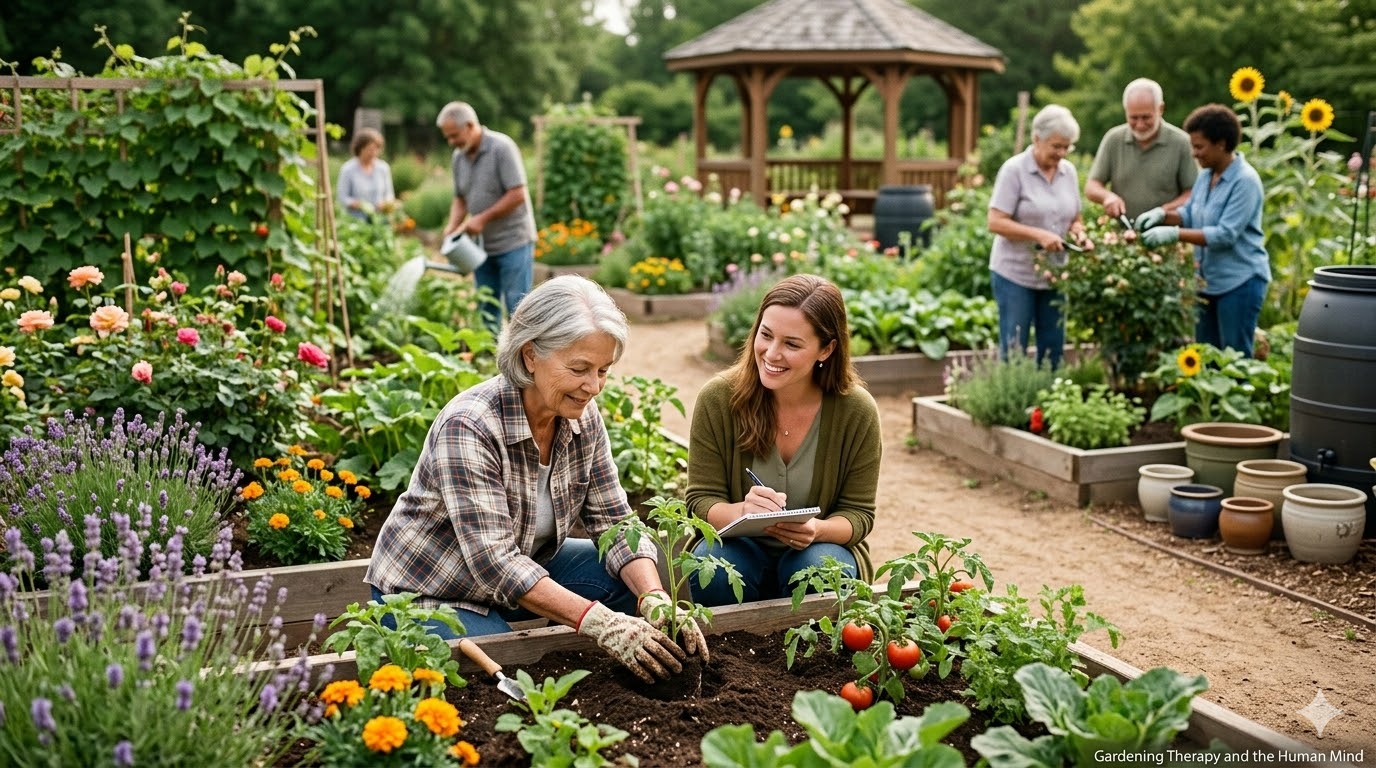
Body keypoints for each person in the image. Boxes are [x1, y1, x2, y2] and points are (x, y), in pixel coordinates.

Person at [364, 275, 705, 683]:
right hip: (433, 590)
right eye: (579, 368)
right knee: (506, 672)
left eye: (603, 370)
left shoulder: (580, 416)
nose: (593, 387)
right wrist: (600, 624)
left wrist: (654, 597)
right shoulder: (471, 425)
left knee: (627, 588)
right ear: (530, 355)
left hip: (526, 566)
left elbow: (615, 523)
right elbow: (495, 563)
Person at [685, 274, 881, 607]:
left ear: (827, 349)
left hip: (817, 549)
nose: (771, 354)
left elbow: (858, 514)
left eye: (791, 344)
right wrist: (742, 512)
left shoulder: (855, 411)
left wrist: (817, 530)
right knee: (712, 567)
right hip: (737, 548)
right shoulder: (719, 399)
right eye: (766, 335)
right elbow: (700, 501)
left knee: (823, 571)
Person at [1135, 104, 1269, 357]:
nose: (1195, 154)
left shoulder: (1245, 181)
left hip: (1239, 282)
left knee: (1235, 358)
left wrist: (1173, 235)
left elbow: (1225, 235)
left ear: (1221, 144)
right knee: (1206, 357)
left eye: (1200, 147)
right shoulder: (1206, 176)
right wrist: (1162, 215)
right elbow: (1190, 214)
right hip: (1207, 284)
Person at [987, 104, 1091, 368]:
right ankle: (1014, 404)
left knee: (1053, 347)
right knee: (1014, 348)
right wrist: (1039, 235)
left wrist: (1079, 234)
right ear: (1036, 139)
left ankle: (1050, 403)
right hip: (1015, 274)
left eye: (1067, 147)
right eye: (1056, 146)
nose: (1062, 153)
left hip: (1054, 274)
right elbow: (996, 222)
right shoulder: (1014, 170)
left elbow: (1075, 218)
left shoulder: (1067, 172)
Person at [436, 101, 537, 330]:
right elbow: (460, 198)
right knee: (486, 306)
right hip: (481, 247)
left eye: (454, 136)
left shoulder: (502, 148)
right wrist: (452, 226)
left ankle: (521, 363)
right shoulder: (458, 157)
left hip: (514, 241)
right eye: (447, 138)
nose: (451, 142)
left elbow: (518, 193)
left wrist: (482, 218)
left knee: (518, 308)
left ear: (470, 126)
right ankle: (490, 359)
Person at [1085, 79, 1197, 220]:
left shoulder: (1181, 142)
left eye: (1146, 117)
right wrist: (1107, 197)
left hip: (1167, 232)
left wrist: (1162, 212)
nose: (1140, 124)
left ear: (1160, 109)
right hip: (1123, 233)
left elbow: (1193, 193)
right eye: (1133, 118)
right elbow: (1092, 186)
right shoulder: (1113, 139)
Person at [336, 128, 397, 221]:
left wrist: (385, 204)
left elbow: (389, 194)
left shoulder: (383, 168)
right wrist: (357, 204)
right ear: (360, 148)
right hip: (355, 221)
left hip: (380, 219)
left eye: (377, 149)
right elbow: (342, 197)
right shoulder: (348, 169)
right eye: (370, 149)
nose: (374, 153)